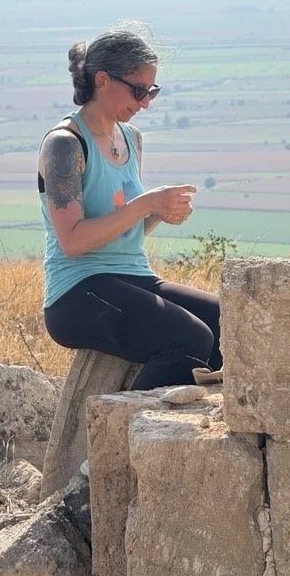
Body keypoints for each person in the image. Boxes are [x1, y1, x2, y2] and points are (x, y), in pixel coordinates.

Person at [37, 25, 221, 390]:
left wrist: (159, 212)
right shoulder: (65, 145)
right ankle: (124, 424)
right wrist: (145, 204)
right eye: (139, 90)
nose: (145, 102)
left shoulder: (131, 138)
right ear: (103, 80)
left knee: (226, 322)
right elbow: (73, 241)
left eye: (152, 91)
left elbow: (123, 228)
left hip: (134, 275)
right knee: (190, 338)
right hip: (77, 291)